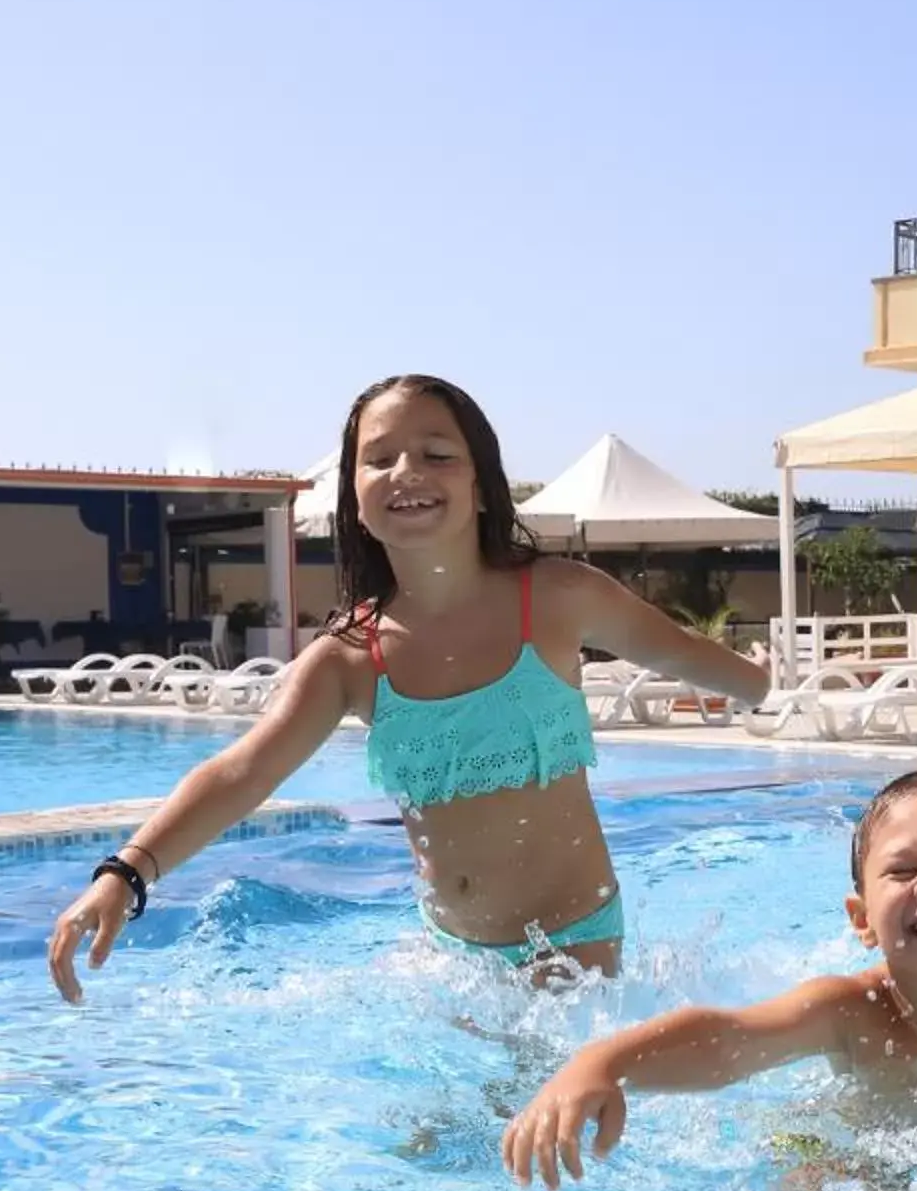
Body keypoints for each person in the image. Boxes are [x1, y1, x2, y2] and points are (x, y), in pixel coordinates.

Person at [48, 373, 767, 994]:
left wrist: (762, 685)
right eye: (379, 458)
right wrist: (127, 870)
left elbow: (677, 652)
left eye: (436, 454)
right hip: (449, 955)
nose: (406, 472)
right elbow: (242, 770)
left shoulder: (557, 597)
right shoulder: (350, 657)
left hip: (573, 943)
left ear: (483, 487)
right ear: (354, 497)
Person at [503, 767, 917, 1188]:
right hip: (863, 1153)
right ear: (861, 918)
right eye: (903, 871)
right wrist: (601, 1062)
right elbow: (728, 1040)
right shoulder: (850, 1013)